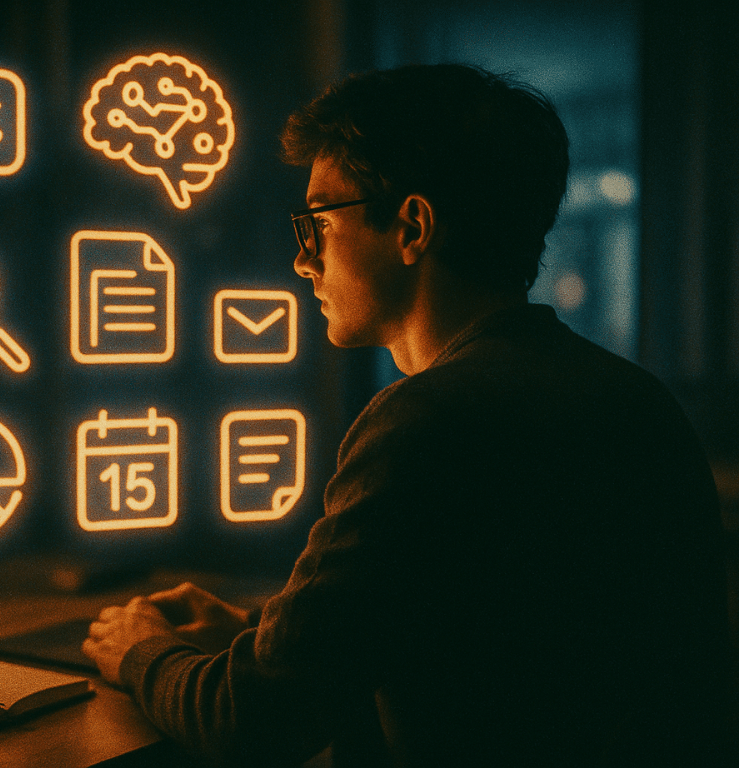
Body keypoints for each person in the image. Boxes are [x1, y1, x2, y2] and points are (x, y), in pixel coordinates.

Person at [82, 64, 732, 767]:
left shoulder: (427, 421)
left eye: (318, 223)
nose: (304, 261)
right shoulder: (634, 399)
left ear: (412, 226)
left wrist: (141, 651)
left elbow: (255, 721)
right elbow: (501, 644)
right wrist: (259, 627)